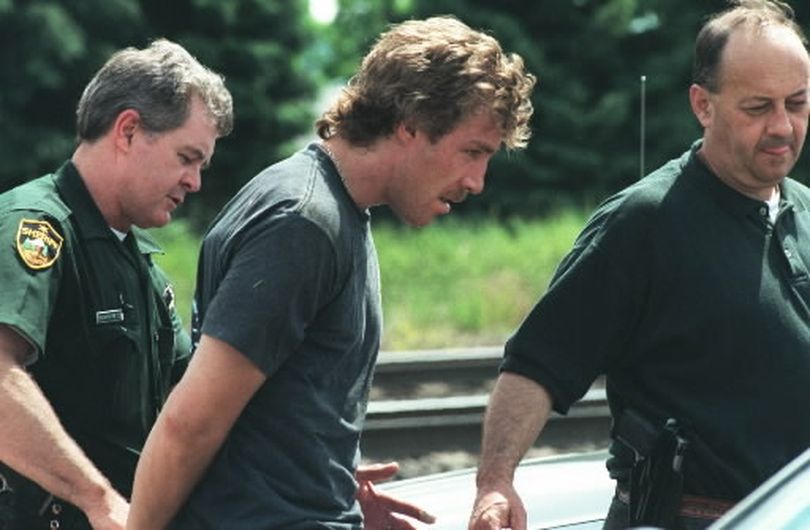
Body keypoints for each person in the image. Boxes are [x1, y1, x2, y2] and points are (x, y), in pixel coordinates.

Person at [126, 15, 536, 530]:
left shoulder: (336, 212)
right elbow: (190, 423)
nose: (477, 181)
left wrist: (324, 479)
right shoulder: (302, 222)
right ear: (409, 125)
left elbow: (270, 405)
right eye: (472, 152)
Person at [468, 1, 810, 529]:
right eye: (758, 107)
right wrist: (495, 482)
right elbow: (538, 365)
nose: (783, 126)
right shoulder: (645, 221)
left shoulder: (807, 213)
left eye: (798, 102)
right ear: (703, 105)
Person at [0, 39, 233, 530]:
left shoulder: (137, 260)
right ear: (128, 130)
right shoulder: (38, 229)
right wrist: (98, 499)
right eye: (186, 157)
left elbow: (194, 400)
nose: (195, 182)